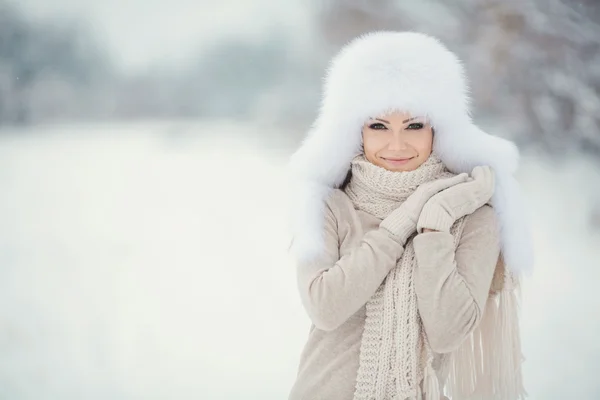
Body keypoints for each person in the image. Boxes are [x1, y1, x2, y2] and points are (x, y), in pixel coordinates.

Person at [286, 32, 533, 400]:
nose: (397, 145)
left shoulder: (473, 217)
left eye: (414, 125)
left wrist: (434, 224)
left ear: (438, 129)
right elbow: (326, 306)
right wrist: (401, 223)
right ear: (356, 131)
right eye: (379, 126)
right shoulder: (328, 206)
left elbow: (447, 331)